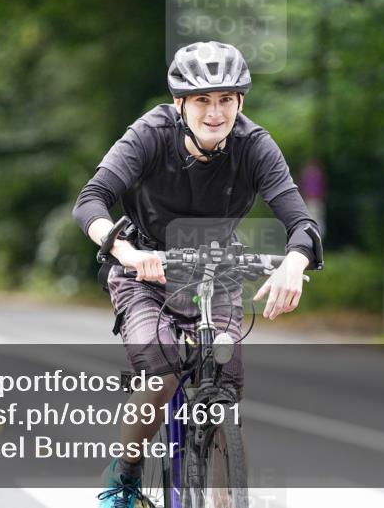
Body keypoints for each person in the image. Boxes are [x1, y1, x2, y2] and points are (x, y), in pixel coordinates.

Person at [73, 41, 322, 508]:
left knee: (224, 382)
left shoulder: (254, 145)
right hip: (145, 270)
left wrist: (295, 261)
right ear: (179, 103)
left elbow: (300, 222)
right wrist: (124, 250)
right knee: (161, 375)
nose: (215, 112)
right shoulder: (149, 135)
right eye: (202, 100)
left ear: (240, 102)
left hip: (216, 270)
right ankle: (125, 475)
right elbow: (90, 201)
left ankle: (223, 493)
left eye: (226, 99)